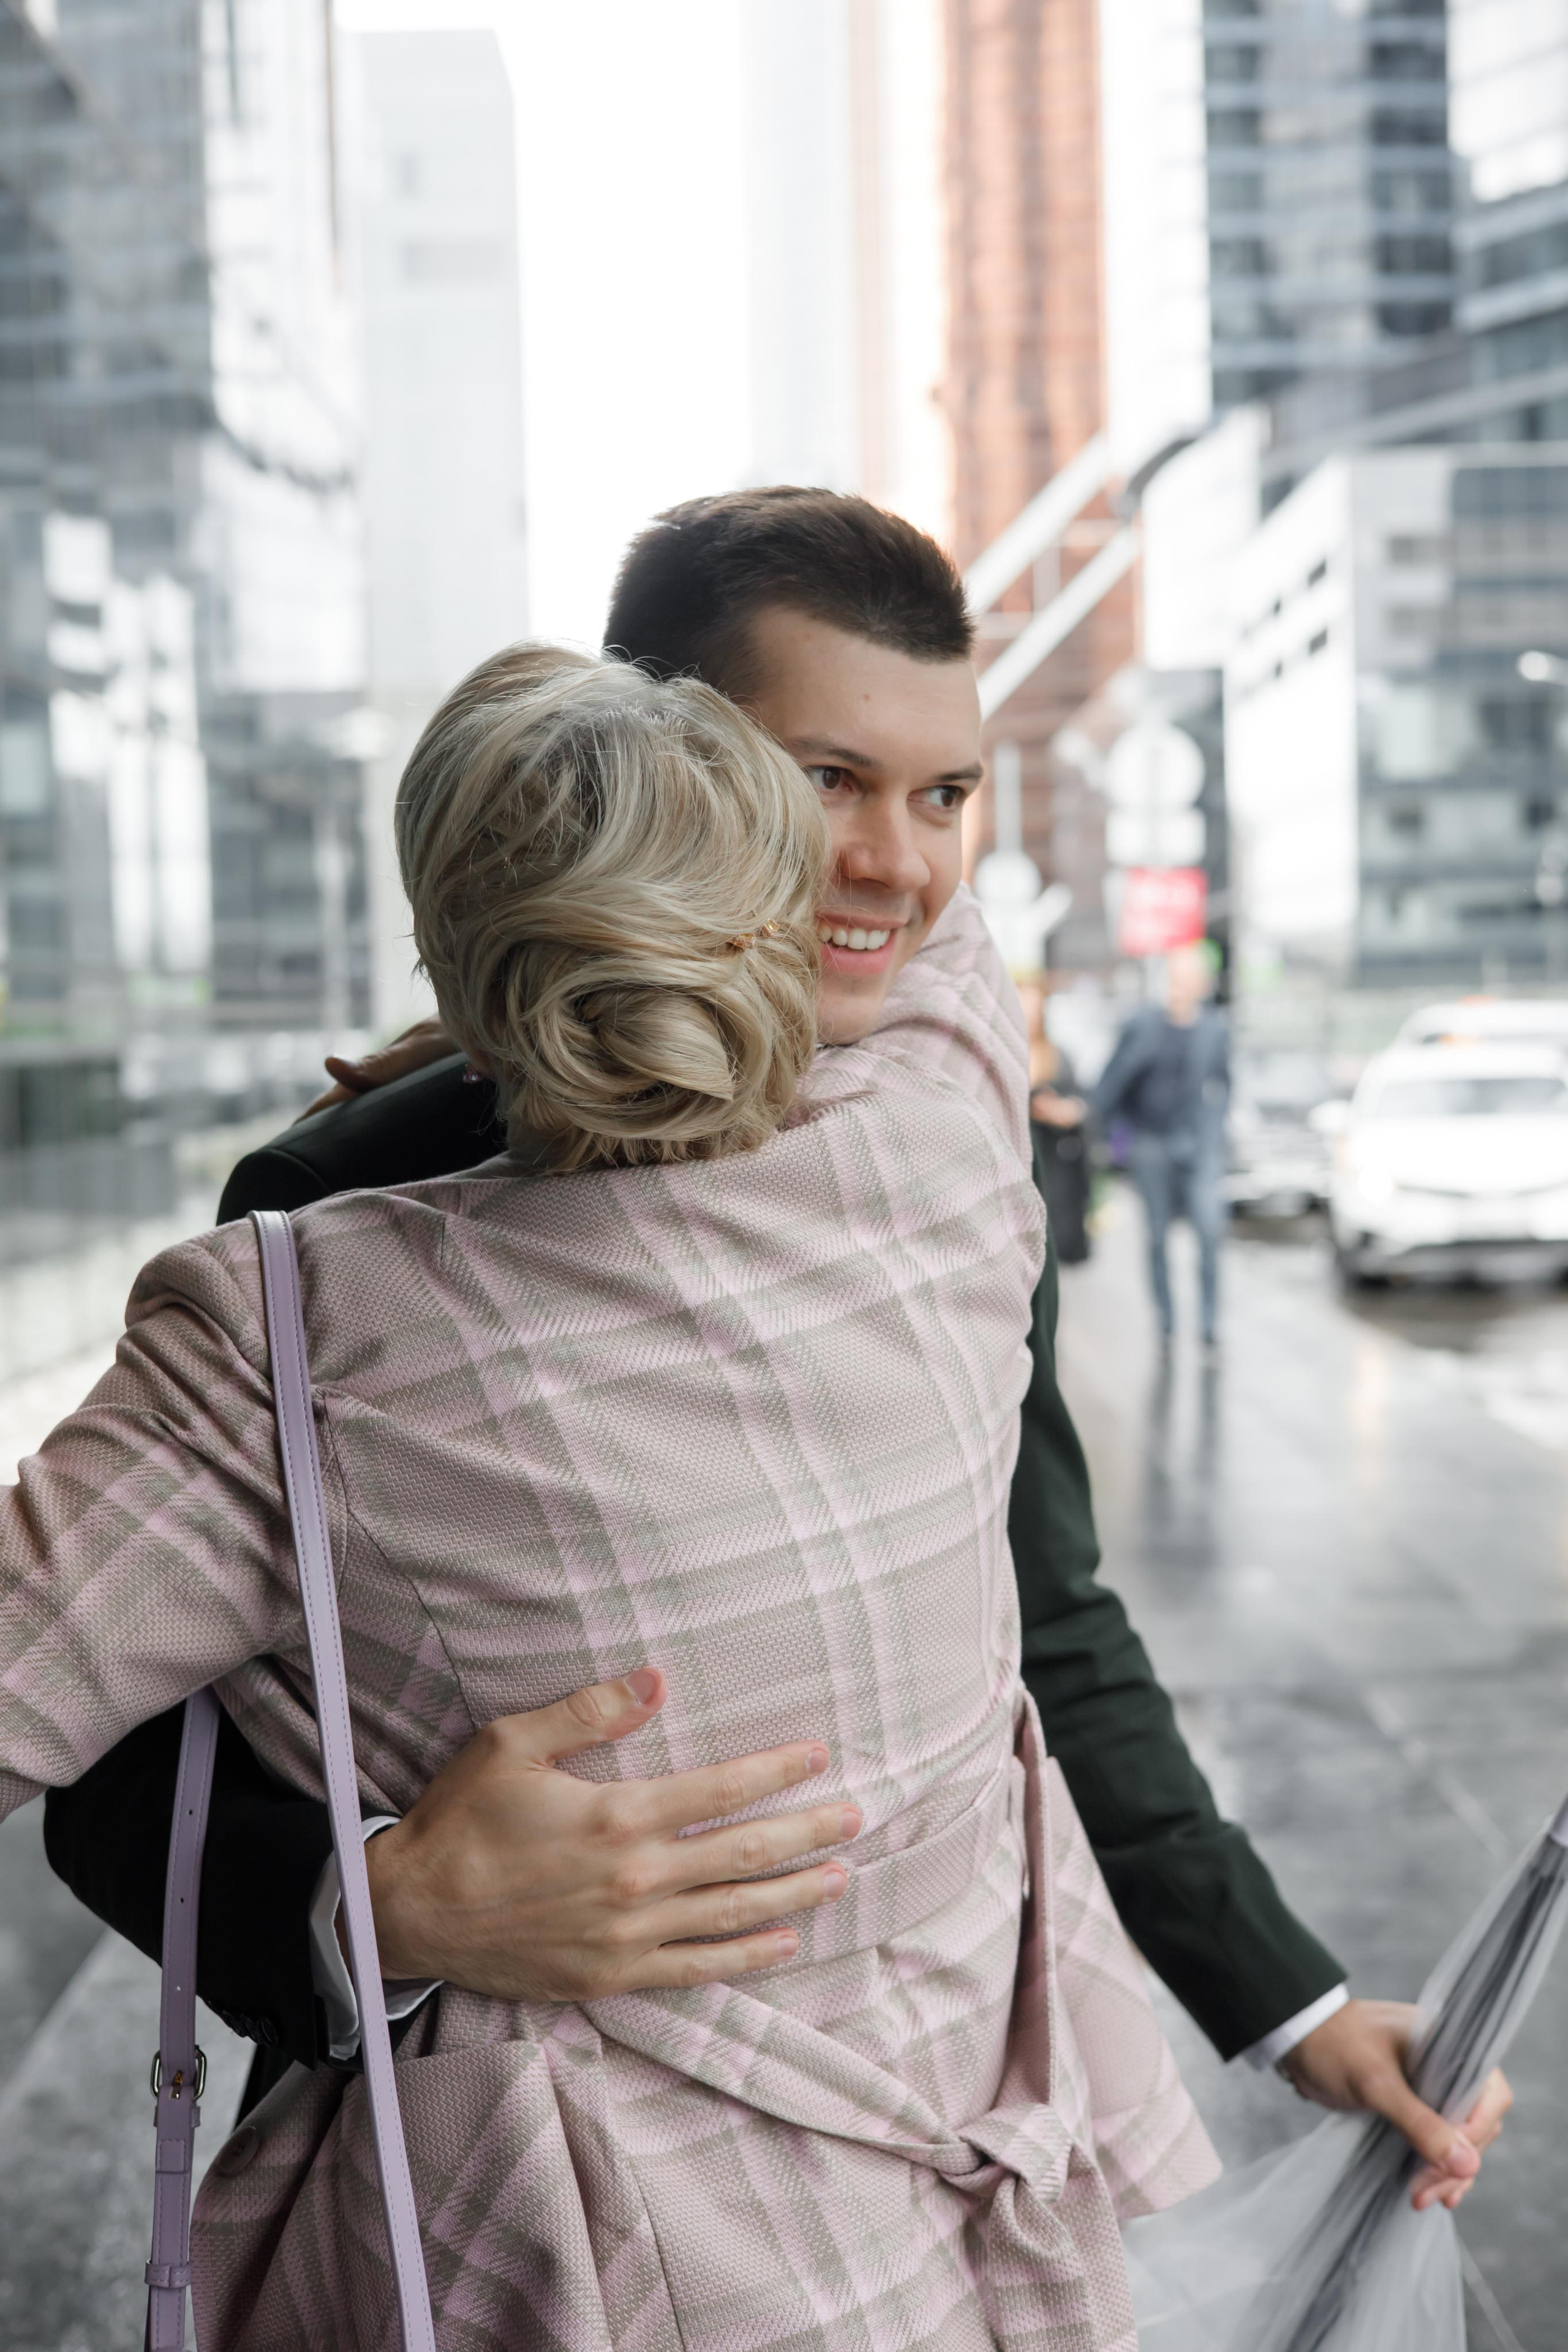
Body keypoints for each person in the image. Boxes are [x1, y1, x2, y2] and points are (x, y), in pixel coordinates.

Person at [43, 489, 1506, 2217]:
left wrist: (1290, 1997)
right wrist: (382, 1903)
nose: (901, 862)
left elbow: (1042, 1604)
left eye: (946, 792)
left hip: (954, 2139)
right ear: (657, 766)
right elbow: (121, 1754)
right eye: (827, 782)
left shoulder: (939, 1130)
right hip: (533, 2184)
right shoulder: (340, 1210)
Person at [3, 644, 1215, 2348]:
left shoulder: (294, 1337)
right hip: (999, 2193)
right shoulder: (949, 1131)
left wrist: (386, 1909)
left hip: (615, 2257)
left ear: (455, 953)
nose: (895, 849)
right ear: (789, 912)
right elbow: (927, 929)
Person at [1093, 946, 1229, 1349]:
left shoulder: (1215, 1029)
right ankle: (1167, 1320)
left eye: (1193, 976)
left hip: (1199, 1146)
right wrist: (1106, 1138)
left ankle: (1208, 1324)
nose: (1186, 984)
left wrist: (1215, 1127)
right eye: (1179, 975)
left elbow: (1225, 1083)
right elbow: (1112, 1082)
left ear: (1203, 983)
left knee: (1209, 1232)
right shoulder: (1142, 1025)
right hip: (1151, 1143)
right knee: (1156, 1237)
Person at [1019, 981, 1091, 1265]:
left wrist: (1062, 1110)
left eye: (1033, 1009)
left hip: (1053, 1159)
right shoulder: (1000, 1056)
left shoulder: (1058, 1055)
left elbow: (1082, 1102)